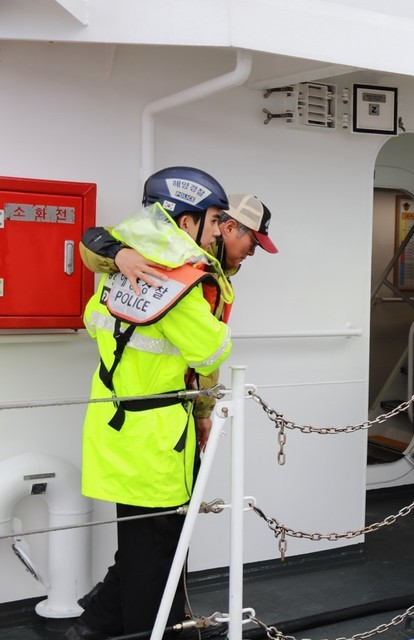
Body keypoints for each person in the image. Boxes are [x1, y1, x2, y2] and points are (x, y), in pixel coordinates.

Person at [66, 167, 234, 640]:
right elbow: (214, 351)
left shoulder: (120, 267)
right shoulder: (179, 286)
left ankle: (100, 624)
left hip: (112, 426)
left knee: (140, 544)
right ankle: (147, 631)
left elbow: (92, 318)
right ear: (186, 223)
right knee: (158, 550)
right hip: (157, 440)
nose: (219, 228)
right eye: (215, 218)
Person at [79, 192, 279, 449]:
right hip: (157, 421)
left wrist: (203, 412)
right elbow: (91, 241)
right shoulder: (171, 252)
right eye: (253, 244)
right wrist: (118, 255)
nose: (251, 253)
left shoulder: (206, 268)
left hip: (113, 412)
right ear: (229, 227)